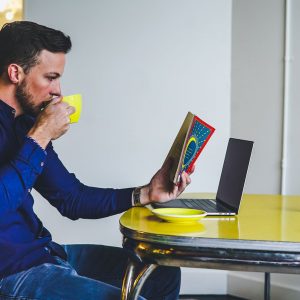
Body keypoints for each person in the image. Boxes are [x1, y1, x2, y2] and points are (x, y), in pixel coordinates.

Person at [0, 21, 192, 300]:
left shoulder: (27, 124)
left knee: (161, 273)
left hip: (45, 254)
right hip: (12, 273)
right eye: (50, 77)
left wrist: (147, 193)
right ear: (16, 72)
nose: (58, 91)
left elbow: (72, 199)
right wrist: (40, 137)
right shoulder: (35, 132)